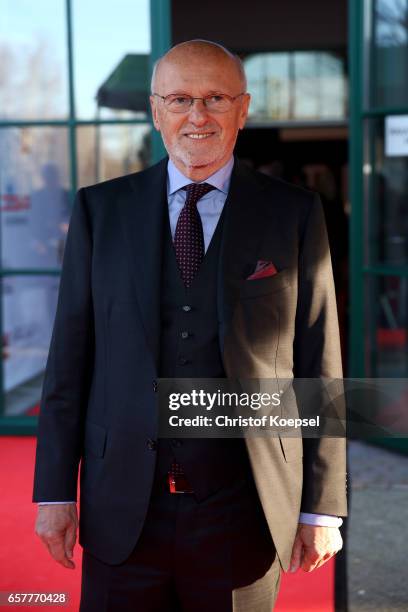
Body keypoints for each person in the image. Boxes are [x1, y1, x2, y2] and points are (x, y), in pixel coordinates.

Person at [33, 40, 347, 612]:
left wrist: (321, 506)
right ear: (157, 112)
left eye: (215, 99)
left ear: (243, 110)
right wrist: (54, 491)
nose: (197, 116)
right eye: (180, 99)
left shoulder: (292, 213)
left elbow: (318, 361)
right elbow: (68, 363)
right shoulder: (100, 211)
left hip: (245, 513)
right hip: (121, 510)